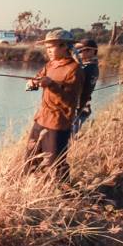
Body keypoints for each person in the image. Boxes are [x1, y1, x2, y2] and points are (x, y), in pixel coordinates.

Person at [25, 29, 84, 179]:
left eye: (52, 46)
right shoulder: (51, 64)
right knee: (30, 159)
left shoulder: (74, 69)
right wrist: (33, 82)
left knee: (55, 164)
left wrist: (51, 84)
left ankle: (64, 194)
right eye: (47, 47)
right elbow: (40, 77)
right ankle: (26, 188)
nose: (49, 50)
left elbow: (70, 96)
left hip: (58, 122)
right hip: (41, 118)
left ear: (65, 46)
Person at [72, 38, 99, 131]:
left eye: (87, 50)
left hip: (78, 109)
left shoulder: (89, 68)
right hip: (83, 107)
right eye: (80, 50)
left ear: (94, 51)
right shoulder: (91, 66)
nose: (82, 52)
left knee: (67, 139)